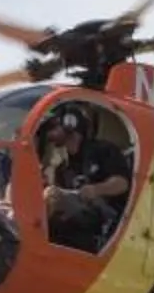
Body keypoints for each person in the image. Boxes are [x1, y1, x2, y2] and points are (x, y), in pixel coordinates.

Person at [38, 105, 130, 249]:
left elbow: (122, 183)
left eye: (53, 128)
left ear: (70, 124)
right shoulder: (62, 169)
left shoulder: (103, 150)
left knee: (52, 195)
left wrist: (96, 190)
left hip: (105, 218)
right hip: (78, 221)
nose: (50, 135)